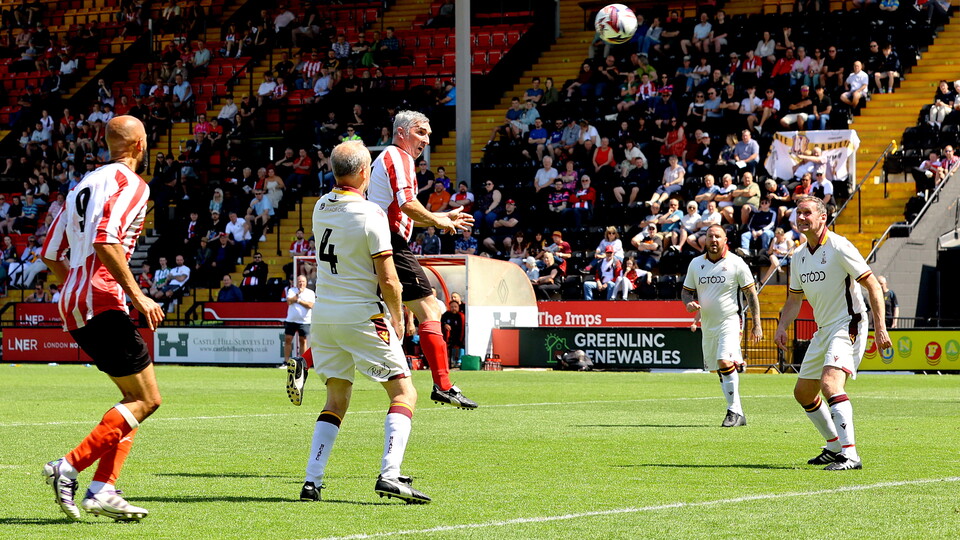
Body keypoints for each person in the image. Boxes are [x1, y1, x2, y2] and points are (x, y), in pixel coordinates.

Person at [39, 116, 165, 522]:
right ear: (141, 145)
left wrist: (77, 285)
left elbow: (49, 252)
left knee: (132, 400)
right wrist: (137, 294)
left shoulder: (83, 184)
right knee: (147, 399)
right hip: (102, 297)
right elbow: (105, 240)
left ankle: (104, 488)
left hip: (73, 299)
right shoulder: (131, 184)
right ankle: (70, 467)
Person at [298, 140, 431, 504]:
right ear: (362, 173)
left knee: (336, 397)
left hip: (324, 316)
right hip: (360, 314)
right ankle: (390, 474)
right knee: (404, 392)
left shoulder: (320, 207)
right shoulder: (371, 212)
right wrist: (397, 316)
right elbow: (388, 278)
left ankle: (312, 480)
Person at [365, 110, 477, 409]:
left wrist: (441, 216)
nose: (426, 140)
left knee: (358, 314)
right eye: (421, 133)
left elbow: (406, 208)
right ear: (402, 132)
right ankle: (443, 385)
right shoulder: (398, 157)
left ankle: (305, 362)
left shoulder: (392, 158)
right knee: (430, 309)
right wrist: (440, 222)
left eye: (428, 134)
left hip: (378, 240)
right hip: (390, 242)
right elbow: (408, 205)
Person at [774, 196, 893, 471]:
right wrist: (782, 326)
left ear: (822, 217)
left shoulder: (839, 246)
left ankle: (850, 455)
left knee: (830, 384)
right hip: (824, 328)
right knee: (803, 393)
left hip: (848, 323)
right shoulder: (799, 256)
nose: (801, 217)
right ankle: (834, 445)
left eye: (807, 213)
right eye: (798, 213)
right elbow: (794, 300)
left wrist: (881, 328)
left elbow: (873, 286)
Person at [682, 225, 762, 427]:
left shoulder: (736, 263)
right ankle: (739, 413)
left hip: (731, 320)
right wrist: (688, 303)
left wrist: (757, 324)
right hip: (708, 325)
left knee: (724, 361)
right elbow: (686, 291)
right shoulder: (696, 264)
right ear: (705, 240)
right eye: (710, 236)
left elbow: (751, 294)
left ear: (726, 239)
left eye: (718, 236)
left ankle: (733, 412)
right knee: (719, 368)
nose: (713, 240)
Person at [283, 274, 315, 390]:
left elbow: (310, 305)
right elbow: (289, 301)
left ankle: (303, 363)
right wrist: (297, 296)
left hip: (304, 321)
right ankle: (286, 362)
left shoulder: (310, 293)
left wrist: (299, 300)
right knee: (288, 339)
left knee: (303, 341)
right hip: (291, 320)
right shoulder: (292, 290)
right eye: (299, 281)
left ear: (306, 283)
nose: (301, 283)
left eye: (303, 281)